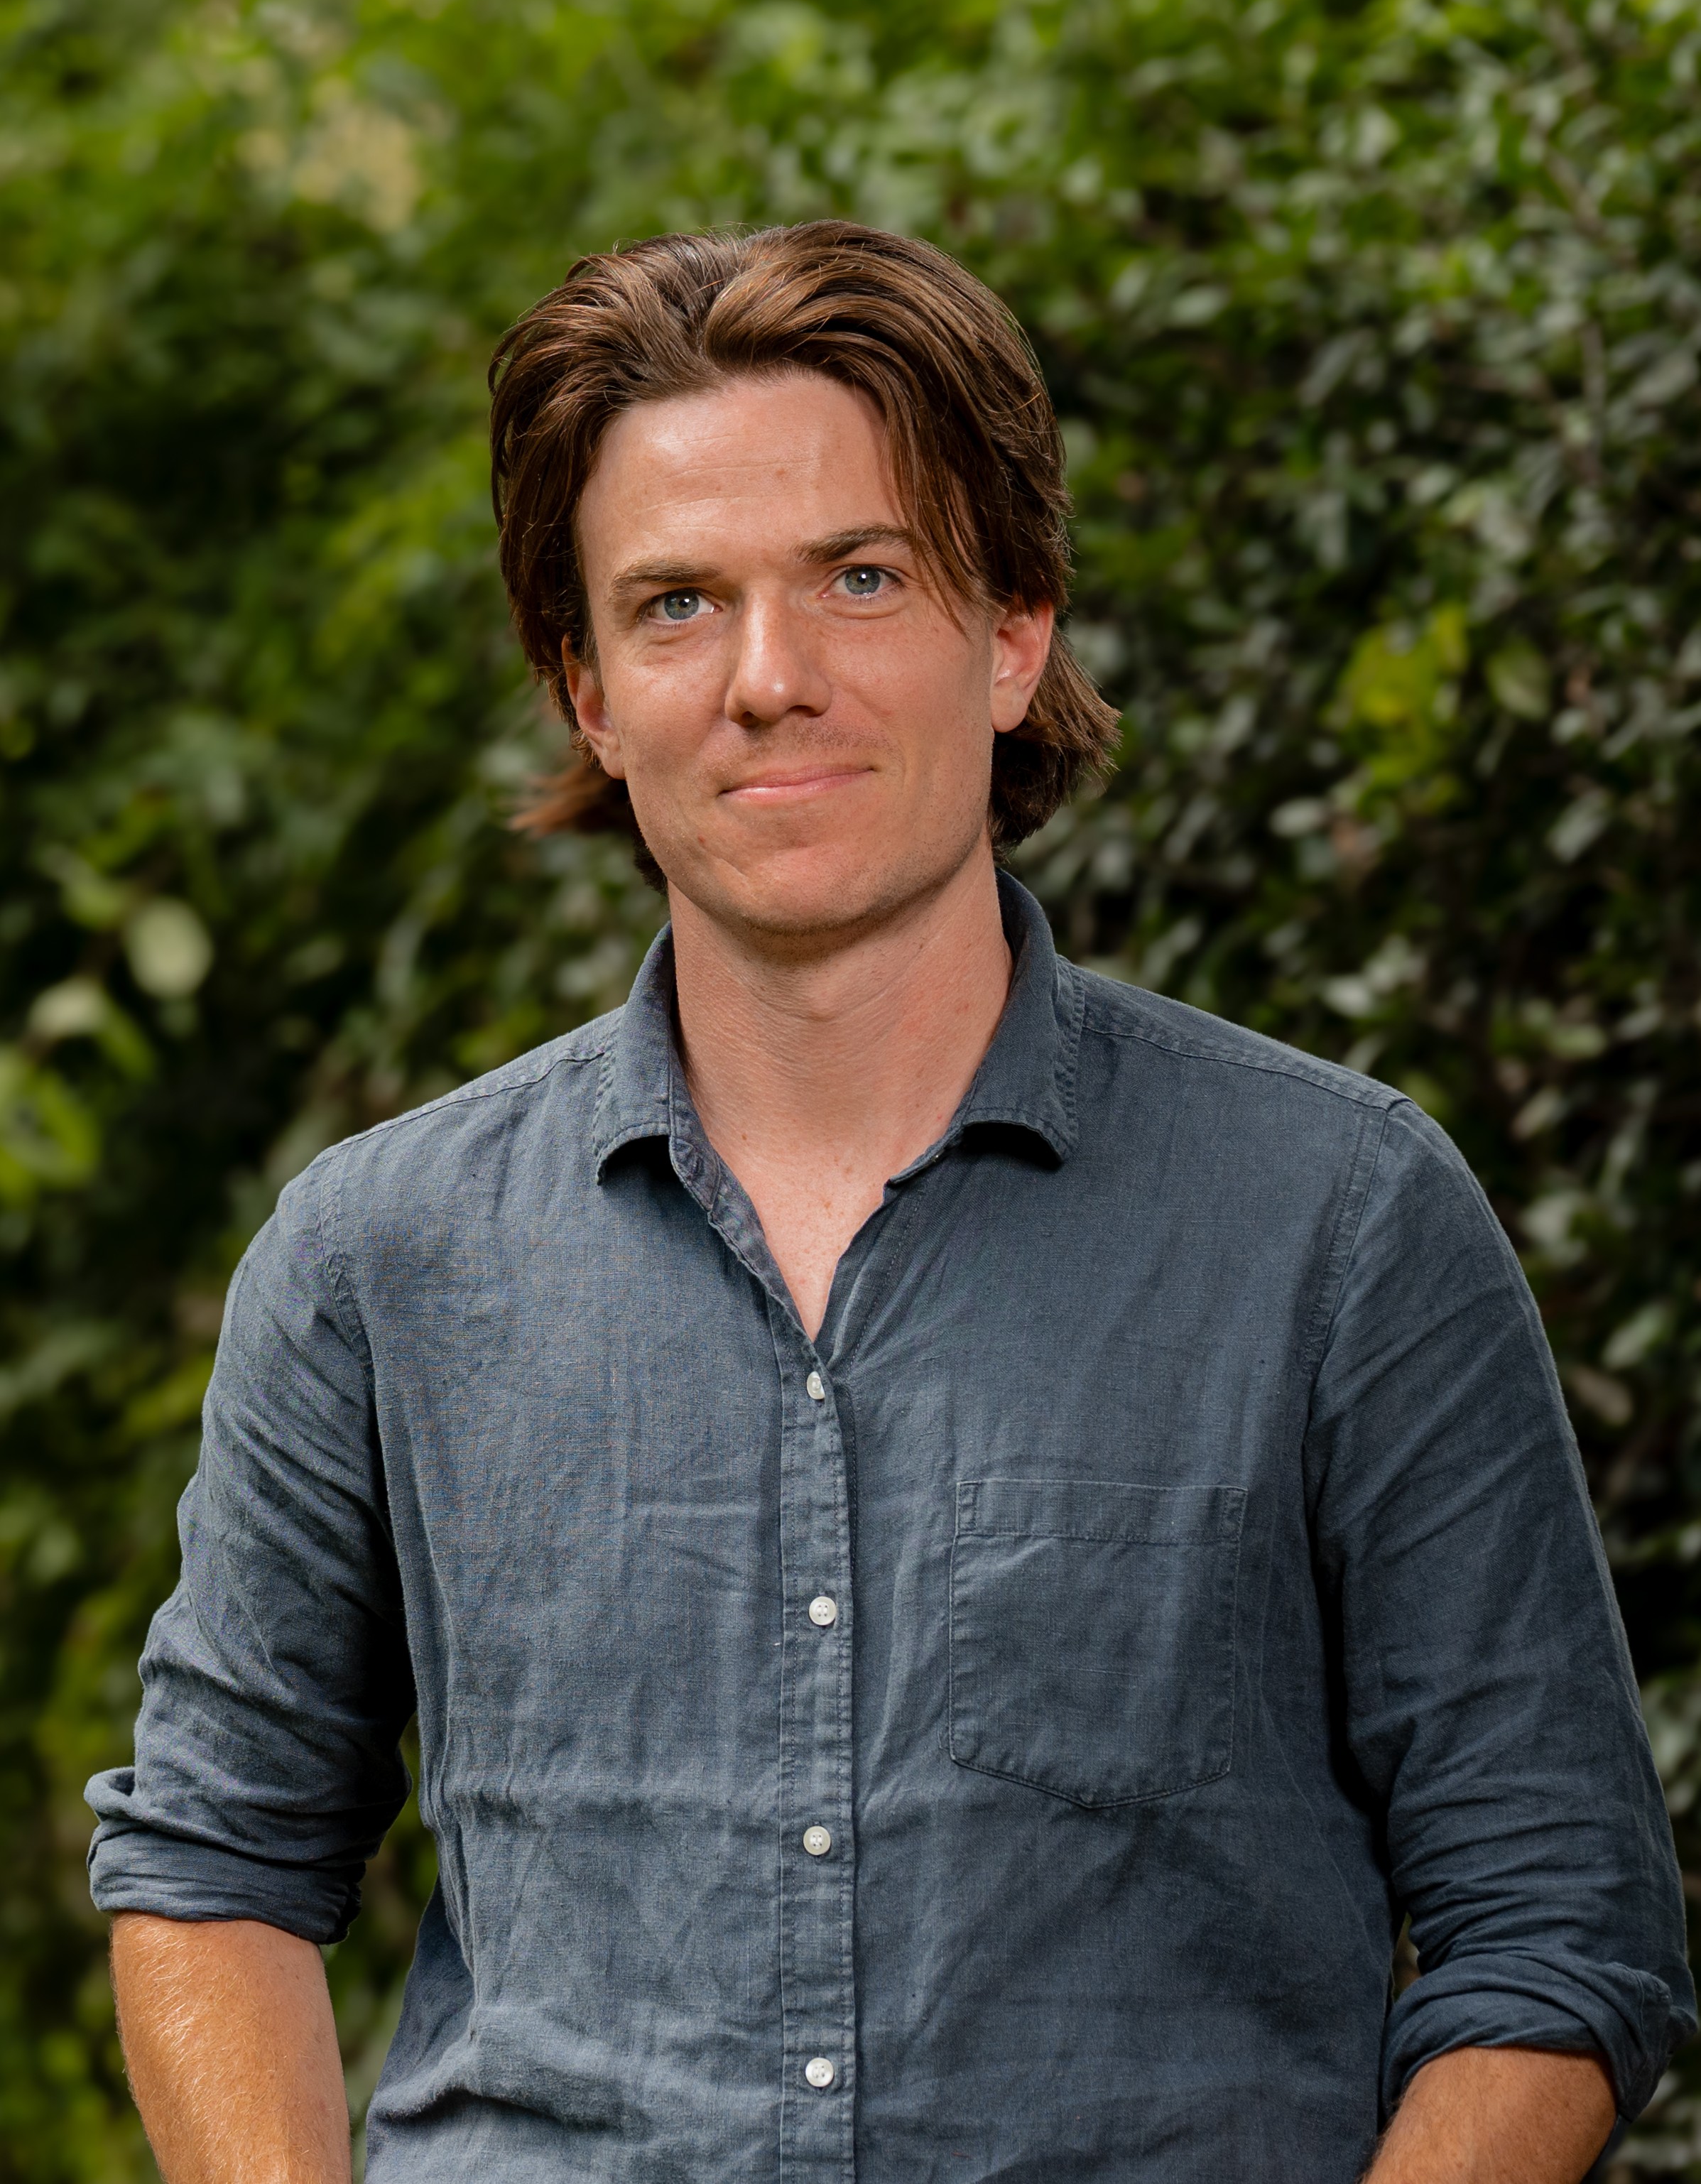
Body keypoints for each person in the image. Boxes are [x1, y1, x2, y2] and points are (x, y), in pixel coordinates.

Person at [89, 221, 1691, 2184]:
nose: (770, 679)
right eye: (674, 605)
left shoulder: (1340, 1219)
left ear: (1011, 633)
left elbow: (1557, 1926)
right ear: (584, 690)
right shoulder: (371, 1260)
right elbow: (208, 1861)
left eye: (860, 577)